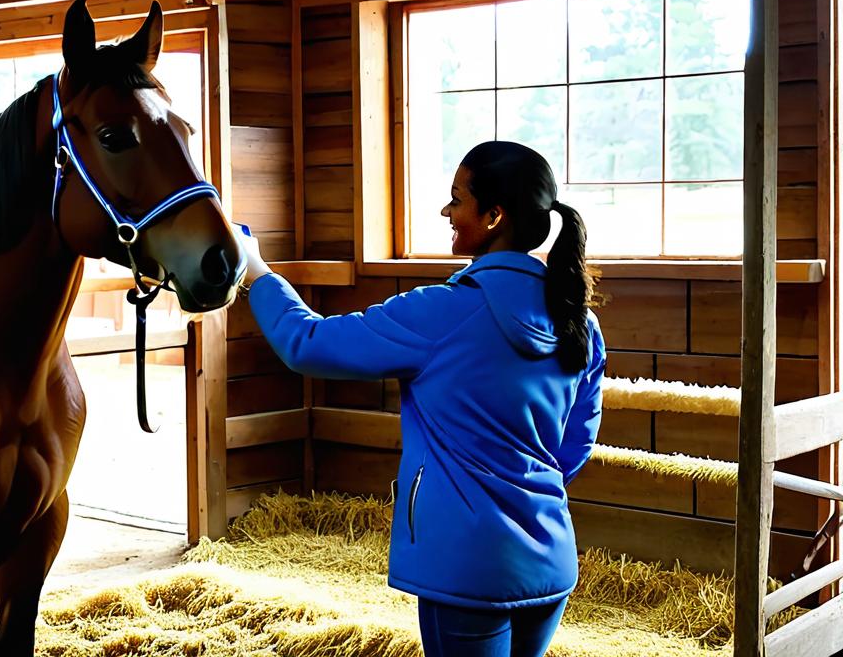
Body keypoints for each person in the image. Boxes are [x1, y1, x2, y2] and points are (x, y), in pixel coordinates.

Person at [236, 140, 606, 657]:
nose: (446, 210)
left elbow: (308, 344)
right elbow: (574, 450)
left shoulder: (441, 313)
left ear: (494, 215)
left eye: (457, 198)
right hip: (550, 560)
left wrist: (257, 271)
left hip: (465, 566)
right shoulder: (580, 322)